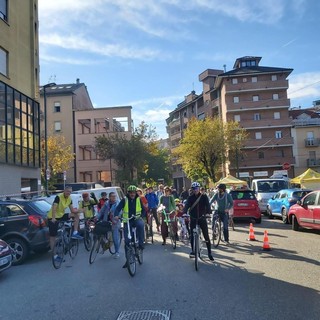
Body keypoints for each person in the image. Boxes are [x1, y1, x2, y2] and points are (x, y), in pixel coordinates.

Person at [114, 185, 146, 268]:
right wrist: (116, 215)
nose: (132, 194)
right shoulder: (124, 200)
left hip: (136, 219)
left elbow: (143, 210)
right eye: (131, 193)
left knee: (141, 224)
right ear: (128, 193)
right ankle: (128, 260)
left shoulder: (138, 199)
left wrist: (142, 216)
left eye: (134, 192)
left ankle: (141, 244)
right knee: (127, 241)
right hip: (127, 221)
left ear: (136, 193)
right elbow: (117, 209)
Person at [47, 186, 83, 253]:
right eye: (67, 191)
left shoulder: (69, 198)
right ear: (64, 191)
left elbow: (72, 210)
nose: (68, 193)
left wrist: (80, 210)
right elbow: (54, 208)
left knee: (76, 215)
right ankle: (54, 254)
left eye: (70, 192)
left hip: (61, 215)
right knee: (53, 236)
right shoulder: (58, 197)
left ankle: (75, 232)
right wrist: (53, 218)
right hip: (53, 217)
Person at [183, 181, 214, 260]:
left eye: (197, 188)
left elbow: (208, 206)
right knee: (192, 236)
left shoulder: (204, 197)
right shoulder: (190, 197)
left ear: (199, 189)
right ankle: (193, 251)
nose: (196, 190)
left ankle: (209, 252)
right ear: (192, 189)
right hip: (193, 218)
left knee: (206, 235)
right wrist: (184, 213)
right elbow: (186, 206)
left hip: (202, 218)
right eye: (194, 188)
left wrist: (208, 213)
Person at [95, 192, 121, 258]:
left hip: (114, 223)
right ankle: (104, 247)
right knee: (101, 235)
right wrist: (97, 217)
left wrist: (118, 217)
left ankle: (117, 252)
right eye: (112, 196)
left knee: (115, 238)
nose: (114, 197)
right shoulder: (106, 204)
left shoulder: (118, 203)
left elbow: (120, 212)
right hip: (106, 222)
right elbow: (101, 212)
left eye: (115, 196)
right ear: (109, 197)